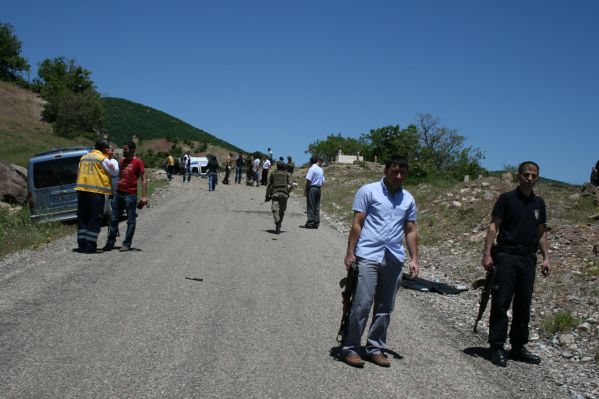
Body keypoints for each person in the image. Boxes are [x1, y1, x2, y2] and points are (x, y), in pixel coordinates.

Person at [341, 155, 418, 368]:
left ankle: (374, 348)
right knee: (362, 303)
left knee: (385, 307)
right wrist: (350, 252)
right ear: (386, 170)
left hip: (393, 257)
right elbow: (357, 223)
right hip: (368, 254)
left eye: (402, 172)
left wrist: (414, 258)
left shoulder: (408, 199)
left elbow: (410, 229)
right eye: (394, 171)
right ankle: (351, 348)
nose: (398, 176)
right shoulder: (368, 191)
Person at [481, 161, 550, 367]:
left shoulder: (539, 204)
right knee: (501, 301)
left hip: (528, 258)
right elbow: (494, 226)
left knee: (524, 304)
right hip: (506, 256)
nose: (530, 178)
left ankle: (518, 346)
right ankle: (497, 346)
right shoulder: (507, 199)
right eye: (526, 174)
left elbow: (541, 233)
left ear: (537, 178)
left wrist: (546, 257)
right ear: (519, 176)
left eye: (534, 175)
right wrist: (487, 253)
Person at [103, 141, 148, 252]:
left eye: (126, 149)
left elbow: (144, 179)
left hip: (130, 195)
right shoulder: (122, 162)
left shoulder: (138, 162)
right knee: (114, 219)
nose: (124, 151)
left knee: (131, 220)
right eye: (123, 149)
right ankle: (110, 242)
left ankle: (127, 244)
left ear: (133, 149)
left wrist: (144, 196)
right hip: (119, 194)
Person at [75, 140, 119, 253]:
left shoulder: (84, 157)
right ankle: (90, 246)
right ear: (104, 149)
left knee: (83, 218)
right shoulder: (102, 159)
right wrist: (112, 159)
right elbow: (114, 172)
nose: (110, 150)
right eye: (109, 148)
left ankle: (82, 245)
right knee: (95, 218)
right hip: (95, 192)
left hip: (82, 192)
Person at [265, 161, 291, 234]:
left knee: (274, 210)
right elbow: (291, 185)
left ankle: (277, 223)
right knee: (281, 211)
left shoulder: (273, 173)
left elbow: (269, 185)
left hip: (275, 194)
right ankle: (278, 224)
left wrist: (267, 196)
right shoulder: (287, 174)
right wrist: (288, 192)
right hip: (284, 194)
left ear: (277, 166)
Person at [301, 156, 324, 229]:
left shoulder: (312, 168)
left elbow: (308, 180)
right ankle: (316, 222)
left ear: (311, 162)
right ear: (317, 161)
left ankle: (310, 223)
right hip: (318, 188)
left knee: (311, 206)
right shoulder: (321, 169)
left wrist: (305, 190)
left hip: (312, 188)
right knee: (316, 206)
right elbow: (323, 180)